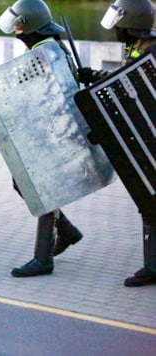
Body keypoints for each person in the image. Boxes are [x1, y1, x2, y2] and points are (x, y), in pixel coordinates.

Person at [0, 0, 84, 277]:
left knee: (40, 187)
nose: (16, 35)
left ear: (29, 27)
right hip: (49, 128)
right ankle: (66, 230)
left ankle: (43, 258)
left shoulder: (44, 52)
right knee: (23, 183)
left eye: (19, 29)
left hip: (52, 131)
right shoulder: (53, 47)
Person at [78, 0, 156, 287]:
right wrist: (96, 77)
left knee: (151, 200)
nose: (116, 32)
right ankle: (152, 263)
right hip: (146, 140)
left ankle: (153, 266)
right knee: (148, 202)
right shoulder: (138, 49)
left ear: (129, 24)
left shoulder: (153, 53)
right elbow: (124, 81)